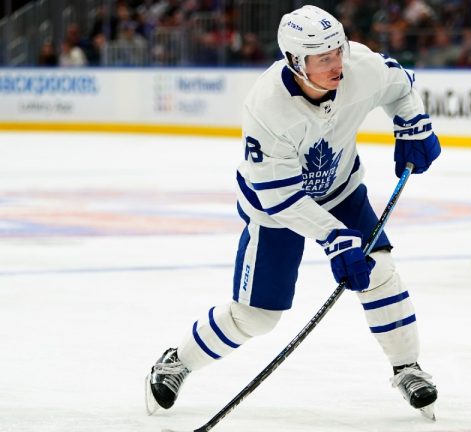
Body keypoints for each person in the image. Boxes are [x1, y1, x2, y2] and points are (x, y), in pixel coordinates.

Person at [144, 5, 440, 420]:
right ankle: (177, 361)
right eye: (323, 58)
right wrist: (336, 240)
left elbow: (400, 86)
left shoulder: (360, 66)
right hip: (276, 209)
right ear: (295, 61)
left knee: (380, 272)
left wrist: (413, 124)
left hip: (341, 190)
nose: (337, 63)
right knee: (256, 317)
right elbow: (281, 198)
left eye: (338, 50)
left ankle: (407, 367)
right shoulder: (267, 108)